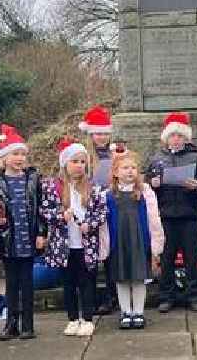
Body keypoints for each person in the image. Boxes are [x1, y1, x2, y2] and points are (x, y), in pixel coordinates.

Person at [145, 112, 197, 313]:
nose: (176, 139)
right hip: (165, 216)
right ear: (167, 138)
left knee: (191, 258)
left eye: (180, 135)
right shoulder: (157, 158)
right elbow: (147, 183)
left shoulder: (195, 157)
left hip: (188, 215)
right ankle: (166, 296)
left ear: (185, 137)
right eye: (173, 135)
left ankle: (194, 296)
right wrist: (152, 183)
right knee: (167, 259)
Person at [41, 138, 107, 337]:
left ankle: (87, 318)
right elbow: (45, 211)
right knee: (68, 283)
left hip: (86, 245)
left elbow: (102, 212)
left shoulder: (93, 188)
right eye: (75, 162)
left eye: (82, 162)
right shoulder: (53, 188)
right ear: (65, 164)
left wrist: (91, 224)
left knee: (87, 282)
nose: (79, 166)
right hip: (64, 246)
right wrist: (61, 216)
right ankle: (72, 319)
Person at [0, 124, 46, 340]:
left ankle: (28, 325)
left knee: (27, 284)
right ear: (5, 157)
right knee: (11, 284)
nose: (19, 158)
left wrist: (41, 233)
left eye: (23, 154)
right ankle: (10, 323)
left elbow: (41, 208)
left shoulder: (32, 179)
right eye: (15, 153)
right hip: (9, 241)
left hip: (29, 240)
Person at [106, 150, 165, 328]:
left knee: (139, 278)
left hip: (139, 241)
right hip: (119, 241)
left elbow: (154, 219)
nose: (130, 171)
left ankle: (138, 312)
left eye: (133, 167)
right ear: (116, 172)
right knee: (122, 279)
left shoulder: (145, 192)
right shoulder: (108, 194)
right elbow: (104, 223)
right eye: (125, 168)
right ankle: (126, 312)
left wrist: (156, 246)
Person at [79, 105, 118, 315]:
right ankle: (90, 298)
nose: (102, 137)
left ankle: (111, 297)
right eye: (98, 133)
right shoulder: (84, 156)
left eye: (105, 133)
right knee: (91, 256)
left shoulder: (115, 154)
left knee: (110, 254)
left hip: (110, 206)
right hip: (90, 208)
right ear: (91, 135)